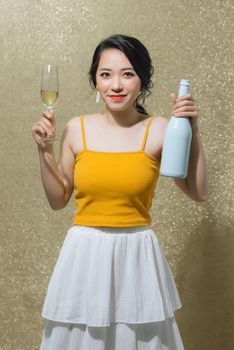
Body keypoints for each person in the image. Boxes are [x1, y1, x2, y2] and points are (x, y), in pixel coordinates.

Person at [32, 34, 208, 350]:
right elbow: (58, 199)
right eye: (105, 74)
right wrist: (44, 148)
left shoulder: (159, 128)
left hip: (136, 256)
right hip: (84, 255)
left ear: (143, 81)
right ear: (95, 81)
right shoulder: (76, 128)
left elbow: (198, 192)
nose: (116, 84)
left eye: (128, 74)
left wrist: (193, 129)